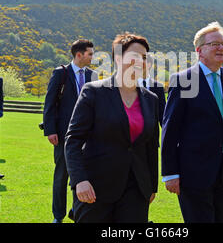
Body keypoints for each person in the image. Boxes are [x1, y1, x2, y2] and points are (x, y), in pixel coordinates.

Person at [161, 22, 223, 223]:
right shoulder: (184, 80)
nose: (221, 48)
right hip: (193, 173)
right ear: (199, 50)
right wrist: (170, 172)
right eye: (215, 44)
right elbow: (170, 130)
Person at [65, 33, 159, 223]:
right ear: (118, 58)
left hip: (136, 190)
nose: (141, 61)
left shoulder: (151, 99)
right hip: (94, 187)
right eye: (135, 56)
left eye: (144, 57)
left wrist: (151, 186)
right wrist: (79, 180)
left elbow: (150, 146)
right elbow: (73, 141)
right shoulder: (94, 92)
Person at [43, 39, 97, 223]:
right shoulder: (61, 73)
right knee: (61, 176)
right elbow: (49, 103)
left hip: (89, 137)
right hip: (64, 135)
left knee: (85, 175)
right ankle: (58, 216)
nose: (92, 57)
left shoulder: (93, 75)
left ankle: (76, 211)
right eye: (90, 53)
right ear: (79, 54)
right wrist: (50, 130)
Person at [138, 54, 166, 127]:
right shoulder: (130, 85)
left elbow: (162, 114)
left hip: (152, 135)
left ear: (149, 64)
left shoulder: (158, 87)